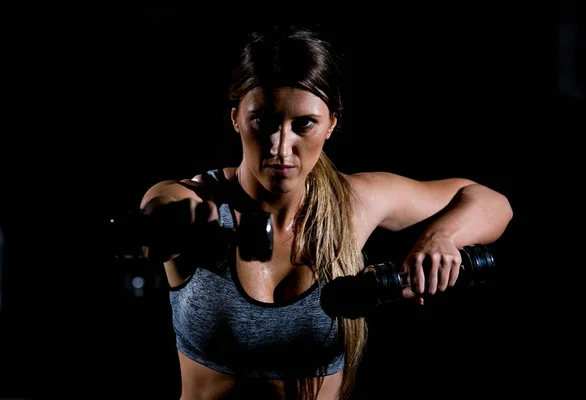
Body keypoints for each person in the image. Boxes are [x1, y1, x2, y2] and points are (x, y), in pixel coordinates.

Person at [139, 23, 513, 400]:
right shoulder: (199, 203)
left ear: (331, 123)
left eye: (303, 125)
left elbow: (489, 200)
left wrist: (440, 238)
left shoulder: (354, 204)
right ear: (236, 117)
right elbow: (161, 206)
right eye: (263, 121)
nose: (280, 147)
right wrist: (163, 219)